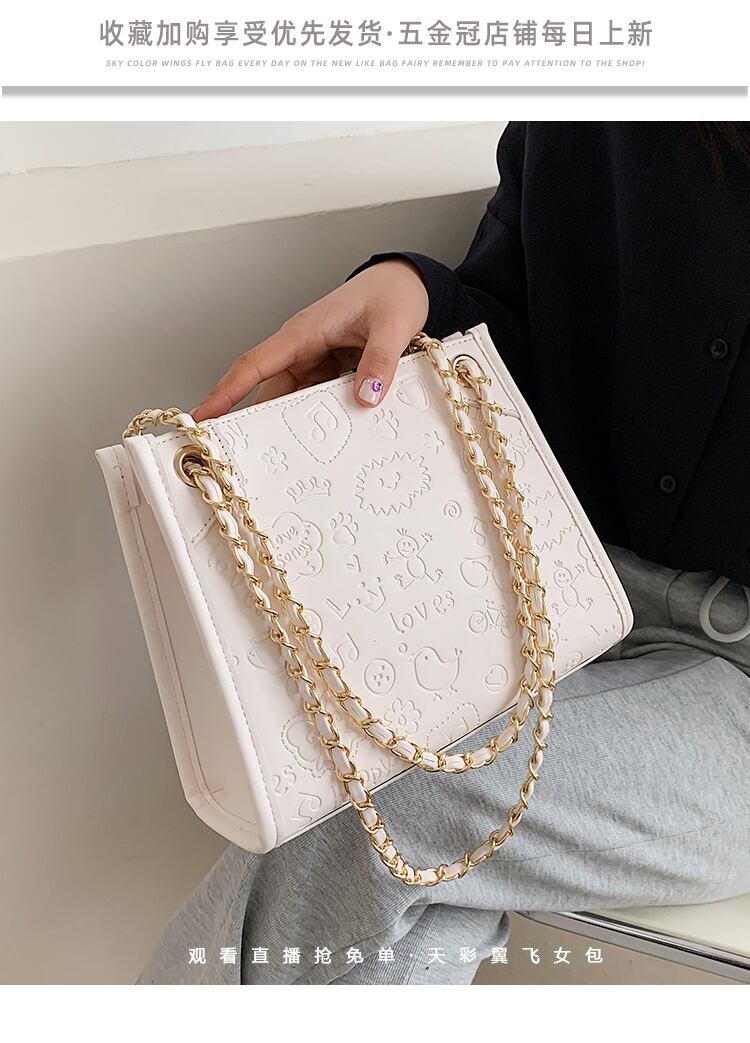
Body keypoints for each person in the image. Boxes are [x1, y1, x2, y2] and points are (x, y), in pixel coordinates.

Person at [137, 123, 750, 985]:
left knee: (385, 804)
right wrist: (414, 290)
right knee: (413, 884)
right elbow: (524, 320)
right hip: (557, 603)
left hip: (724, 699)